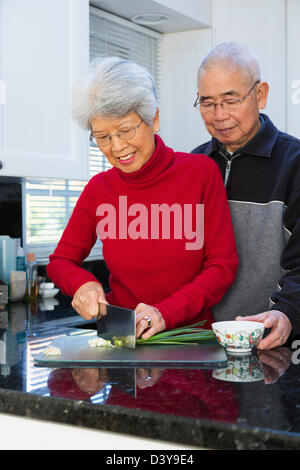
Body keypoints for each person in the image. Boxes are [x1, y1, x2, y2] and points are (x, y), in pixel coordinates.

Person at [47, 56, 238, 340]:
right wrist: (82, 285)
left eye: (125, 131)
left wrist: (165, 312)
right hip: (124, 340)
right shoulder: (99, 189)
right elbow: (61, 261)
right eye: (102, 137)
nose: (117, 147)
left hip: (190, 340)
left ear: (154, 119)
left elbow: (222, 266)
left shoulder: (200, 173)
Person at [192, 42, 300, 349]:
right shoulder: (192, 167)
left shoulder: (294, 163)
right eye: (207, 102)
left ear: (261, 95)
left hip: (271, 342)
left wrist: (287, 311)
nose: (219, 115)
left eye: (230, 100)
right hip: (198, 340)